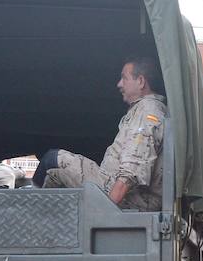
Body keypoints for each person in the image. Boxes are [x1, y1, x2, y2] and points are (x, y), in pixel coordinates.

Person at [34, 58, 167, 211]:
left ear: (141, 81)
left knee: (53, 159)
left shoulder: (147, 111)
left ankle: (25, 209)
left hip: (130, 197)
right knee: (55, 175)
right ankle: (44, 216)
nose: (119, 84)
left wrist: (105, 214)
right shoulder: (145, 109)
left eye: (124, 78)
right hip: (120, 189)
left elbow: (132, 169)